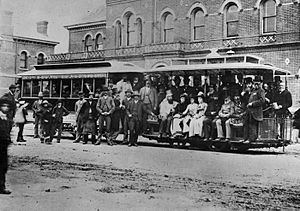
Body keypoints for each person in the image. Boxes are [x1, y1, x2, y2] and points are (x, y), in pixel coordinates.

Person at [243, 76, 265, 143]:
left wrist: (252, 104)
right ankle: (246, 138)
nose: (256, 85)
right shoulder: (252, 91)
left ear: (260, 83)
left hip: (256, 112)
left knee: (253, 126)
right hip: (250, 111)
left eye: (257, 84)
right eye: (255, 83)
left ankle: (251, 139)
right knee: (246, 124)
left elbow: (262, 100)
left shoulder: (261, 91)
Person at [0, 97, 12, 194]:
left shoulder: (7, 118)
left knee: (3, 166)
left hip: (4, 146)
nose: (6, 108)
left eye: (7, 106)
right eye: (3, 106)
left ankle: (1, 187)